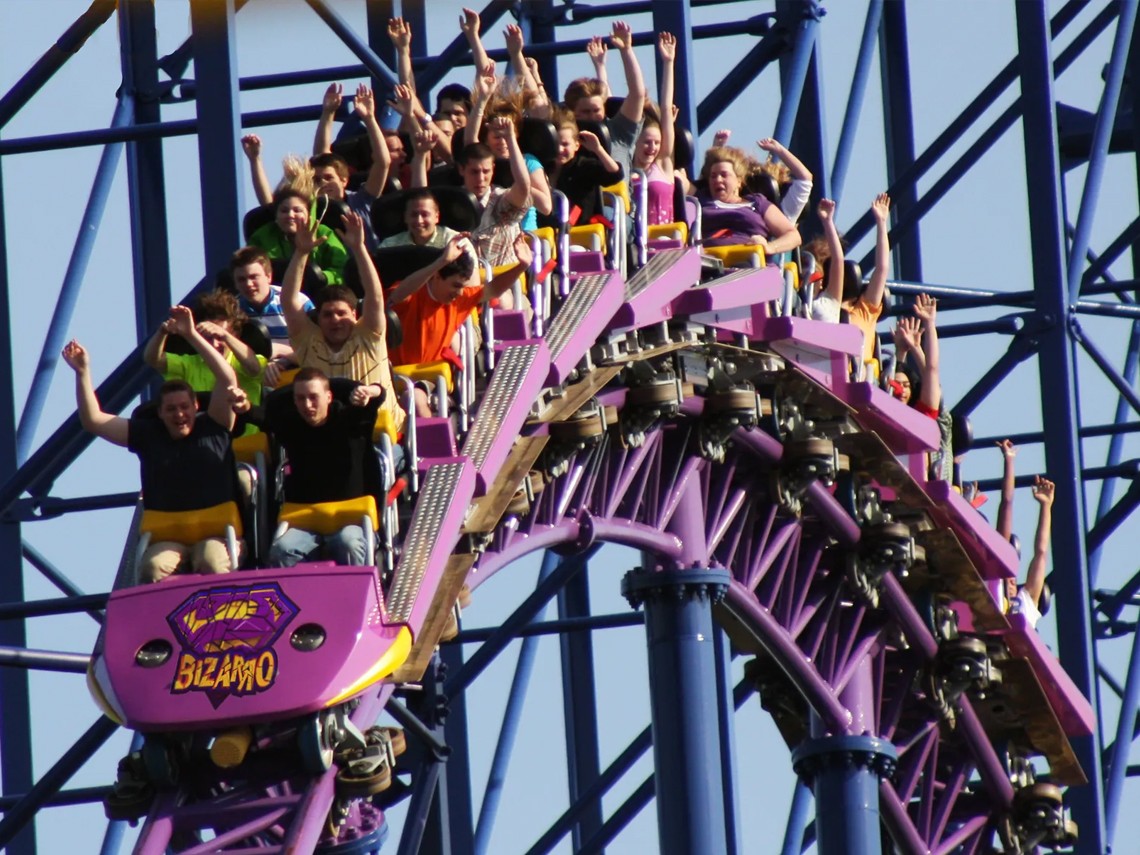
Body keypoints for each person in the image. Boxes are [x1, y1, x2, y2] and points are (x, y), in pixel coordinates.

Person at [62, 308, 244, 583]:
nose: (179, 414)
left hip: (217, 535)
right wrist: (82, 372)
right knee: (152, 567)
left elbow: (227, 378)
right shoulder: (149, 435)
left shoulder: (214, 425)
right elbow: (93, 420)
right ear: (160, 412)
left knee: (210, 559)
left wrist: (190, 334)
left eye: (184, 407)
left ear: (196, 406)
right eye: (171, 409)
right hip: (170, 538)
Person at [281, 209, 406, 435]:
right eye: (327, 315)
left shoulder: (368, 334)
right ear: (318, 318)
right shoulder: (309, 340)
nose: (335, 320)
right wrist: (301, 252)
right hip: (329, 436)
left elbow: (375, 295)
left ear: (354, 314)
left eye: (341, 313)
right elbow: (289, 301)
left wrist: (359, 248)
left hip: (381, 436)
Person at [389, 233, 532, 416]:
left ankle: (434, 433)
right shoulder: (411, 295)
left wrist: (522, 266)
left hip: (426, 378)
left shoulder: (459, 300)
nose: (459, 293)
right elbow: (396, 297)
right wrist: (441, 262)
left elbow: (494, 289)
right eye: (455, 286)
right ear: (437, 276)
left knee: (414, 399)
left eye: (463, 287)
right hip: (392, 376)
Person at [259, 369, 384, 567]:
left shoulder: (351, 420)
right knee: (282, 549)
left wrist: (369, 390)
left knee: (348, 542)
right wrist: (243, 406)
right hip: (307, 520)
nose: (307, 405)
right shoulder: (291, 425)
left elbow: (379, 396)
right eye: (301, 399)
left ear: (328, 397)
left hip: (350, 519)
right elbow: (260, 416)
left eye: (313, 397)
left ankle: (354, 587)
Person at [143, 290, 267, 413]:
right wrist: (162, 332)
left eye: (219, 337)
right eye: (208, 338)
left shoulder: (246, 361)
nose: (214, 344)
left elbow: (253, 368)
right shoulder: (189, 364)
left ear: (235, 334)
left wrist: (224, 335)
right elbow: (152, 359)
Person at [310, 83, 393, 248]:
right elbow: (321, 157)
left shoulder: (361, 200)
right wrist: (328, 112)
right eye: (317, 180)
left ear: (344, 180)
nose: (323, 183)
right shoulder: (311, 209)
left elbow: (383, 162)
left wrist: (369, 119)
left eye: (329, 178)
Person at [563, 21, 647, 176]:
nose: (592, 116)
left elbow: (637, 93)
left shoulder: (618, 131)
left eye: (596, 110)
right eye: (585, 112)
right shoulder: (565, 139)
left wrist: (626, 50)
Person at [890, 294, 953, 481]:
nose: (901, 390)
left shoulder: (921, 417)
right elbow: (893, 379)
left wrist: (929, 324)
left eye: (906, 386)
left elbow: (932, 370)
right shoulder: (879, 416)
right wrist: (900, 351)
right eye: (897, 385)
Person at [453, 122, 531, 269]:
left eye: (486, 171)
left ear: (493, 169)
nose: (481, 179)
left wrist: (510, 138)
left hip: (503, 277)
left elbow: (523, 187)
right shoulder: (452, 201)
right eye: (474, 172)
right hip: (466, 279)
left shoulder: (501, 199)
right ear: (461, 170)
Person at [698, 146, 801, 255]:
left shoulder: (757, 202)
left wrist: (769, 247)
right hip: (707, 261)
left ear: (739, 181)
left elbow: (793, 236)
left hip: (749, 260)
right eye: (713, 176)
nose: (718, 180)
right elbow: (684, 183)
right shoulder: (702, 202)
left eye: (724, 175)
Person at [229, 246, 312, 378]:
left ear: (268, 276)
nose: (248, 284)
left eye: (253, 277)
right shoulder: (231, 311)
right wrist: (263, 364)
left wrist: (279, 351)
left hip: (298, 373)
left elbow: (318, 354)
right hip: (253, 376)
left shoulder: (298, 302)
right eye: (241, 279)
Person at [248, 186, 350, 287]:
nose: (290, 215)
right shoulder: (261, 237)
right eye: (284, 211)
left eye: (297, 210)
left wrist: (323, 277)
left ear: (308, 214)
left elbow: (342, 269)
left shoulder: (324, 233)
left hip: (322, 292)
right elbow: (248, 269)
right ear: (276, 215)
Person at [545, 109, 623, 227]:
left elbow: (615, 174)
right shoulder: (544, 167)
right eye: (556, 144)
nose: (560, 149)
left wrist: (598, 149)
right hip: (550, 230)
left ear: (577, 145)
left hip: (581, 231)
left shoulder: (583, 166)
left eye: (565, 144)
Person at [633, 33, 679, 227]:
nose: (652, 148)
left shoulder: (662, 164)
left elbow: (666, 108)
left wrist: (668, 63)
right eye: (647, 142)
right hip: (632, 240)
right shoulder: (626, 169)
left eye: (657, 143)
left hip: (663, 238)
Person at [1006, 476, 1054, 629]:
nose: (1012, 581)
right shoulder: (987, 595)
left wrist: (1046, 505)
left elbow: (1041, 553)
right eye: (1007, 578)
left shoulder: (1026, 605)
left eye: (1013, 579)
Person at [379, 187, 462, 250]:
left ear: (437, 217)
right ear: (405, 217)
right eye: (414, 215)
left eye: (425, 214)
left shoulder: (453, 241)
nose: (419, 221)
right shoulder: (390, 246)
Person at [804, 198, 844, 323]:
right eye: (804, 277)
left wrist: (827, 221)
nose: (809, 280)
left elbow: (838, 260)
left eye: (814, 277)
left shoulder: (830, 301)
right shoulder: (792, 300)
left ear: (821, 281)